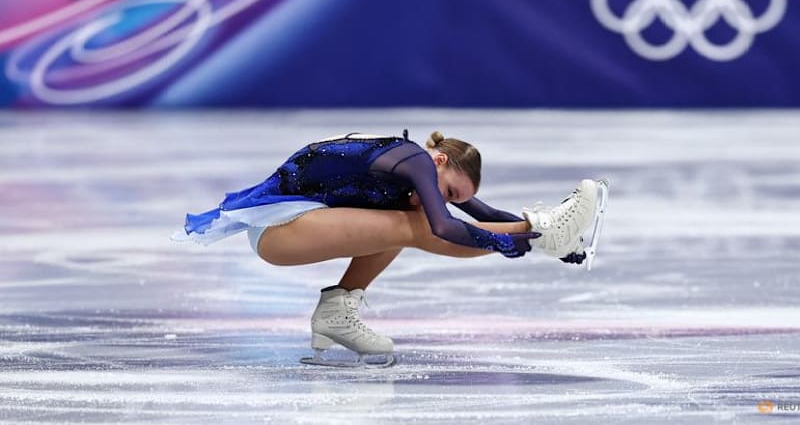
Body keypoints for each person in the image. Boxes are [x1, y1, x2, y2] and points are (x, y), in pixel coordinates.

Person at [172, 130, 605, 367]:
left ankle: (336, 313)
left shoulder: (428, 172)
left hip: (295, 224)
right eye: (450, 189)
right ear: (439, 161)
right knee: (414, 225)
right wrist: (514, 239)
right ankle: (549, 232)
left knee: (405, 223)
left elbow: (481, 212)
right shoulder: (415, 159)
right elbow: (442, 226)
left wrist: (535, 237)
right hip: (278, 228)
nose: (448, 196)